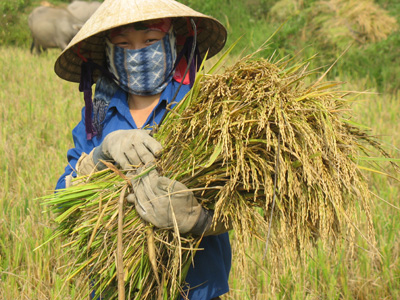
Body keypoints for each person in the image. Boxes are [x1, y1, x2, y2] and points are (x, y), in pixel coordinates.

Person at [54, 0, 231, 299]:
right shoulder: (97, 115)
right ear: (108, 53)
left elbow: (246, 199)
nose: (137, 53)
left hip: (194, 286)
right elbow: (62, 196)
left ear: (175, 40)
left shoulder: (205, 107)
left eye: (150, 40)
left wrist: (197, 219)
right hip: (117, 285)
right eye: (123, 44)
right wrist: (98, 158)